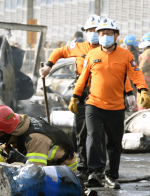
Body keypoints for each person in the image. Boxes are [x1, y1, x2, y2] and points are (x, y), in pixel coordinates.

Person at [70, 17, 150, 189]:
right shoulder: (92, 55)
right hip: (93, 104)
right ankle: (95, 172)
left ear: (116, 36)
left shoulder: (126, 55)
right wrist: (75, 97)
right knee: (93, 136)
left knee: (114, 142)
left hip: (116, 107)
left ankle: (111, 174)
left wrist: (143, 90)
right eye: (102, 34)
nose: (104, 36)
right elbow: (83, 78)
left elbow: (136, 75)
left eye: (108, 33)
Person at [39, 15, 111, 183]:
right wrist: (49, 66)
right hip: (82, 93)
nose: (93, 33)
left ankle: (98, 169)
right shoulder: (78, 47)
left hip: (102, 95)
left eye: (96, 30)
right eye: (89, 30)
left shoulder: (107, 49)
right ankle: (83, 168)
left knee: (98, 134)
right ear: (85, 32)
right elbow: (58, 52)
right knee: (82, 132)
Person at [0, 105, 78, 172]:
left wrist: (10, 166)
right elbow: (6, 147)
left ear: (8, 130)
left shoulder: (35, 139)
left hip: (63, 169)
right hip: (47, 163)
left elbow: (35, 171)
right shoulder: (16, 124)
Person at [138, 32, 150, 109]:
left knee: (143, 102)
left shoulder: (148, 52)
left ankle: (142, 118)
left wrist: (136, 77)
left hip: (146, 82)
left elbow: (142, 67)